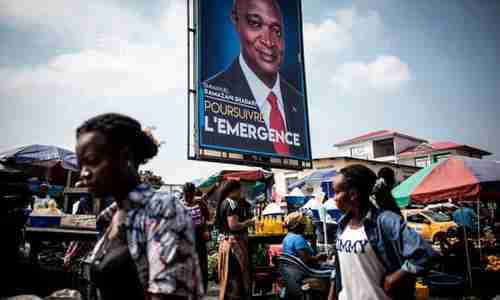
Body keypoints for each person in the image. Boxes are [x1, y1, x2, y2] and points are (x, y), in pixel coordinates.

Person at [75, 113, 203, 300]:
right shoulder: (107, 218)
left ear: (125, 156)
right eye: (81, 165)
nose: (84, 173)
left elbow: (170, 294)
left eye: (92, 161)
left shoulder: (162, 210)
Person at [203, 0, 307, 157]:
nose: (269, 41)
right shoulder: (209, 95)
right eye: (255, 24)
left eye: (276, 31)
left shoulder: (299, 102)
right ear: (236, 22)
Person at [328, 164, 435, 300]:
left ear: (353, 194)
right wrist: (332, 294)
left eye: (337, 192)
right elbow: (338, 268)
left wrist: (395, 278)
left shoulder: (386, 221)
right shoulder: (342, 226)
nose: (334, 198)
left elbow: (425, 254)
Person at [216, 180, 254, 300]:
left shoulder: (222, 203)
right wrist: (247, 223)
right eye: (240, 189)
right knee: (237, 278)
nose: (241, 192)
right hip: (233, 245)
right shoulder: (231, 204)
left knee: (229, 278)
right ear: (234, 190)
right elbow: (233, 225)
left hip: (225, 243)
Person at [181, 182, 210, 293]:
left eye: (190, 195)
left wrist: (205, 230)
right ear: (183, 194)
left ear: (194, 193)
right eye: (186, 196)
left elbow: (207, 217)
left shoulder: (199, 203)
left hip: (199, 237)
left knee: (202, 263)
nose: (188, 198)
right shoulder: (179, 205)